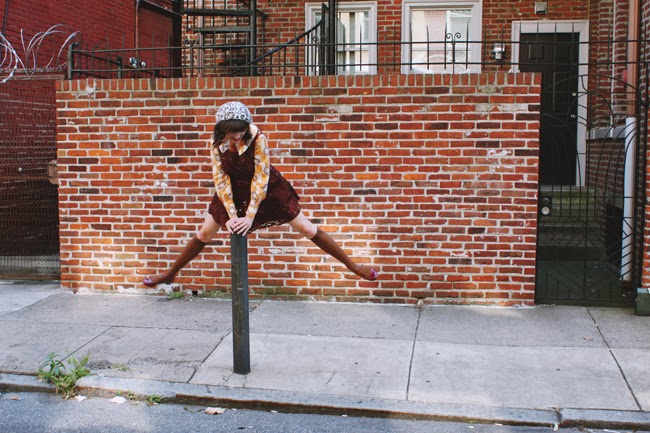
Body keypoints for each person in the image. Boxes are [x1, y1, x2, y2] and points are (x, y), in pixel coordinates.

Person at [142, 101, 378, 287]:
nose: (236, 137)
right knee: (204, 232)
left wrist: (249, 216)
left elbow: (260, 177)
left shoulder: (258, 138)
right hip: (231, 190)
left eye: (240, 132)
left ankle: (353, 266)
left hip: (266, 189)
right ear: (222, 130)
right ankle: (170, 274)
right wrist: (232, 215)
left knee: (306, 228)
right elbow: (220, 178)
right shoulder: (216, 142)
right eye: (231, 133)